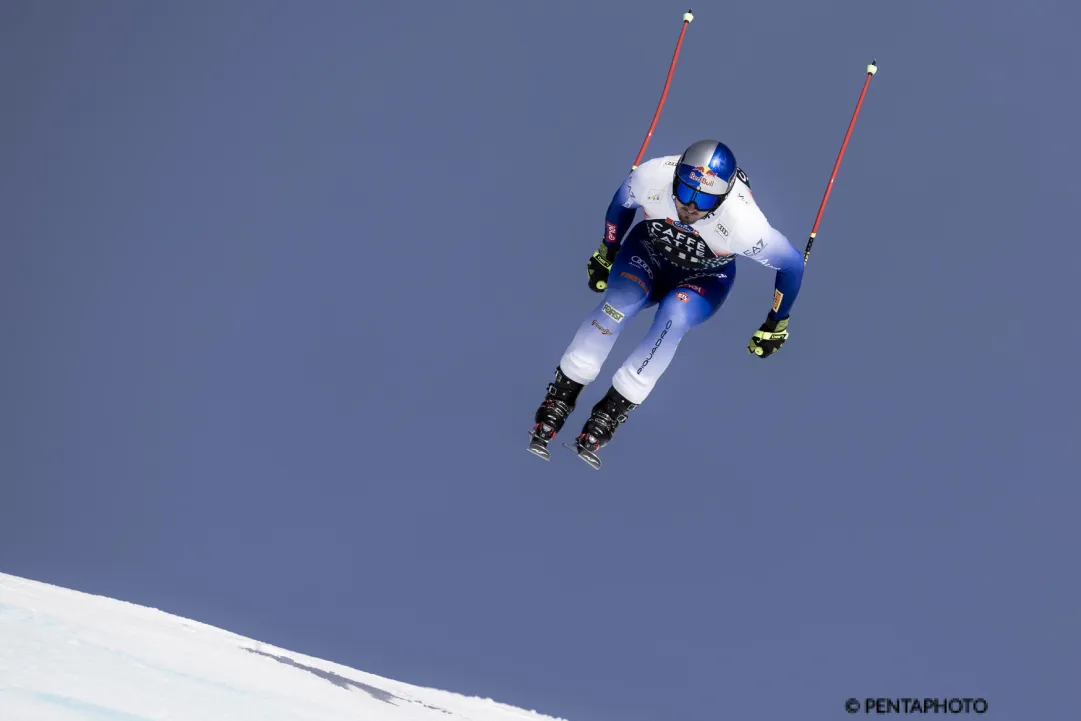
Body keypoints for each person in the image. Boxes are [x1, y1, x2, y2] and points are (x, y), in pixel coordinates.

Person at [527, 139, 805, 468]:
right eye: (685, 191)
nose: (690, 206)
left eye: (704, 199)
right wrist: (608, 251)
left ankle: (612, 411)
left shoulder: (745, 223)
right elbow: (622, 201)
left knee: (673, 318)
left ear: (725, 195)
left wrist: (777, 322)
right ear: (676, 177)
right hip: (645, 255)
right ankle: (560, 396)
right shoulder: (653, 175)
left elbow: (791, 264)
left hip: (703, 280)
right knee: (619, 303)